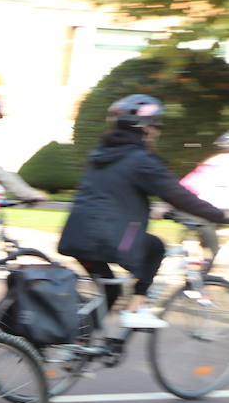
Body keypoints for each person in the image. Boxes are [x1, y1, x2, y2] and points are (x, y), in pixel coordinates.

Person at [57, 96, 228, 329]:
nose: (155, 133)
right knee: (156, 248)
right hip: (108, 239)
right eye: (155, 126)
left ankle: (76, 345)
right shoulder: (141, 159)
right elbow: (178, 195)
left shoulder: (100, 154)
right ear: (145, 128)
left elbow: (112, 194)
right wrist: (220, 216)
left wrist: (152, 207)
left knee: (111, 290)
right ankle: (136, 308)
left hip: (76, 236)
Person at [178, 130, 229, 266]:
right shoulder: (223, 162)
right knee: (213, 254)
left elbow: (185, 185)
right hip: (214, 210)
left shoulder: (209, 163)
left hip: (198, 210)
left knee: (210, 251)